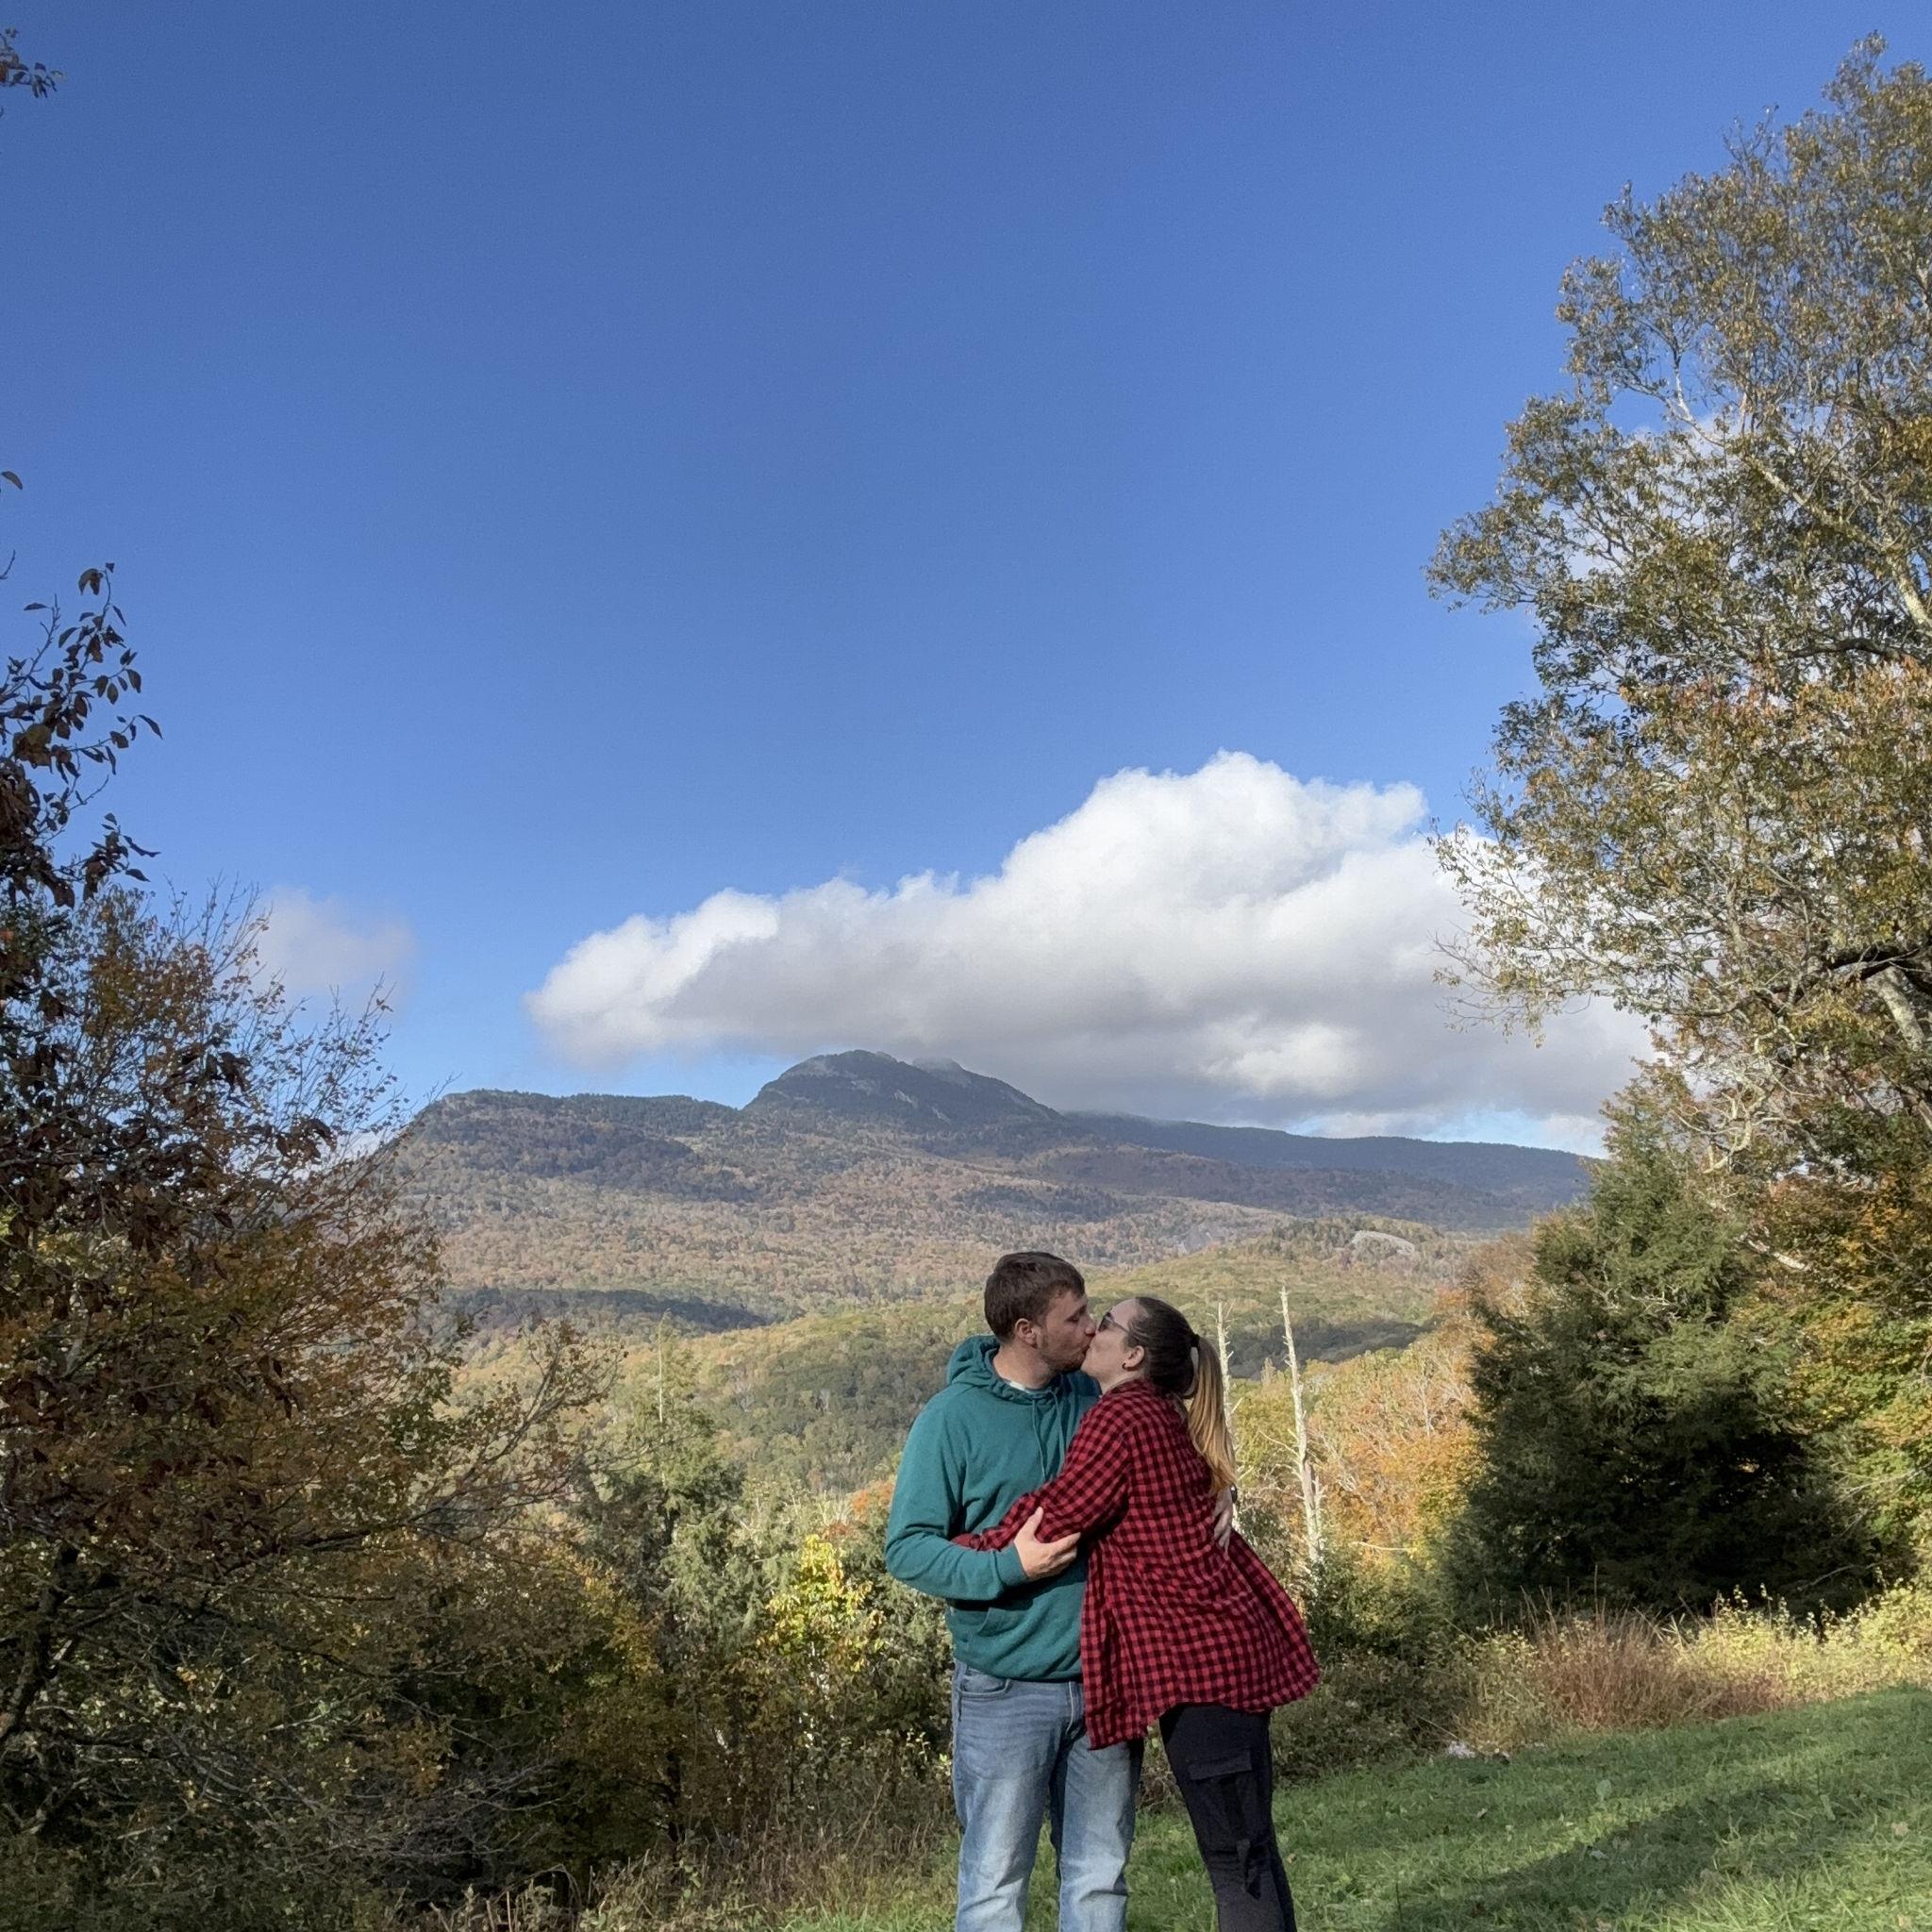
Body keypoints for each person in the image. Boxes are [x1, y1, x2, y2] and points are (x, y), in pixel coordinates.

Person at [953, 1294, 1318, 1932]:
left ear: (1134, 1354)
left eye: (1109, 1324)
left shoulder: (1122, 1418)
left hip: (1207, 1675)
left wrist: (970, 1552)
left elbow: (1060, 1512)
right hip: (1226, 1662)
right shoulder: (1154, 1412)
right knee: (1249, 1849)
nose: (1094, 1330)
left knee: (1238, 1861)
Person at [882, 1252, 1134, 1932]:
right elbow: (906, 1548)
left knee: (1100, 1874)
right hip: (1004, 1686)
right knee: (995, 1882)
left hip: (1105, 1677)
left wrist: (1218, 1487)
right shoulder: (951, 1420)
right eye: (1074, 1317)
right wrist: (1007, 1567)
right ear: (1027, 1330)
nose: (1091, 1328)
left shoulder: (1094, 1399)